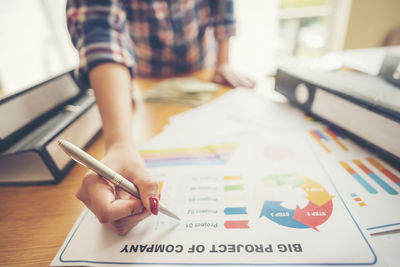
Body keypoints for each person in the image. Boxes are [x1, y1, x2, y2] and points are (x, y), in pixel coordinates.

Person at [66, 0, 255, 235]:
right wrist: (120, 143)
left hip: (201, 69)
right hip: (144, 78)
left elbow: (223, 8)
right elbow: (100, 36)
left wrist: (224, 62)